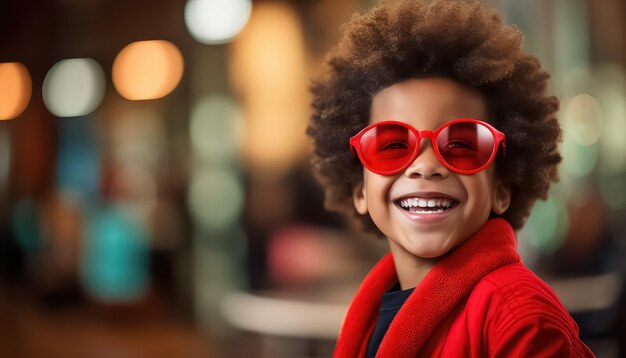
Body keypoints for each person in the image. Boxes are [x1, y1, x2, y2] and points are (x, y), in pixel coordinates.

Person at [306, 0, 596, 356]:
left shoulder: (520, 318)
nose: (426, 166)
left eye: (461, 143)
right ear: (359, 190)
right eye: (393, 144)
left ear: (501, 188)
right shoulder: (370, 317)